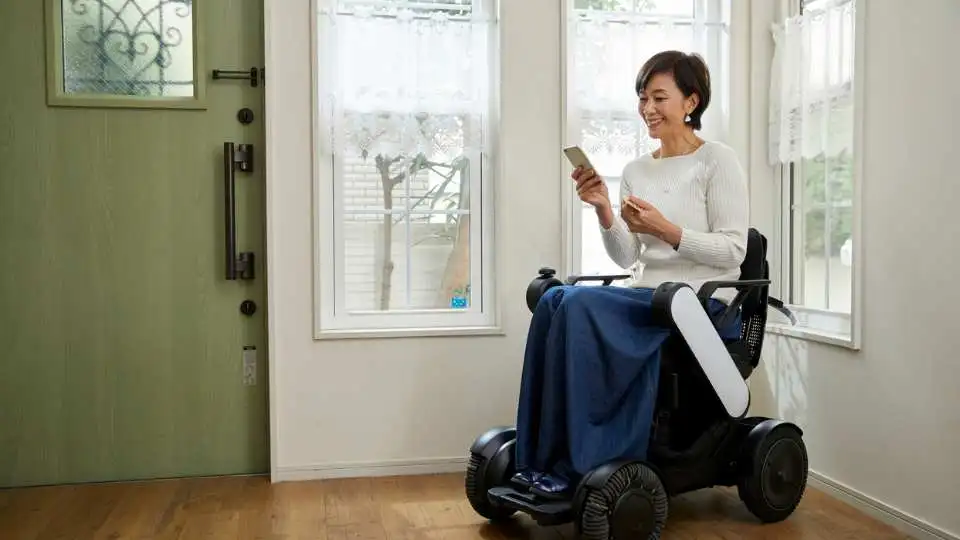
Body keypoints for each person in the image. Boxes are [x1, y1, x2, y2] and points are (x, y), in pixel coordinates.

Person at [511, 50, 750, 499]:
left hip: (697, 304)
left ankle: (586, 462)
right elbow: (628, 257)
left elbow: (734, 249)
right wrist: (603, 208)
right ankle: (541, 455)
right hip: (650, 297)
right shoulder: (638, 169)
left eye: (660, 97)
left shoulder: (717, 162)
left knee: (579, 304)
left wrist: (666, 229)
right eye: (643, 98)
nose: (648, 109)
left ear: (691, 102)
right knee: (555, 299)